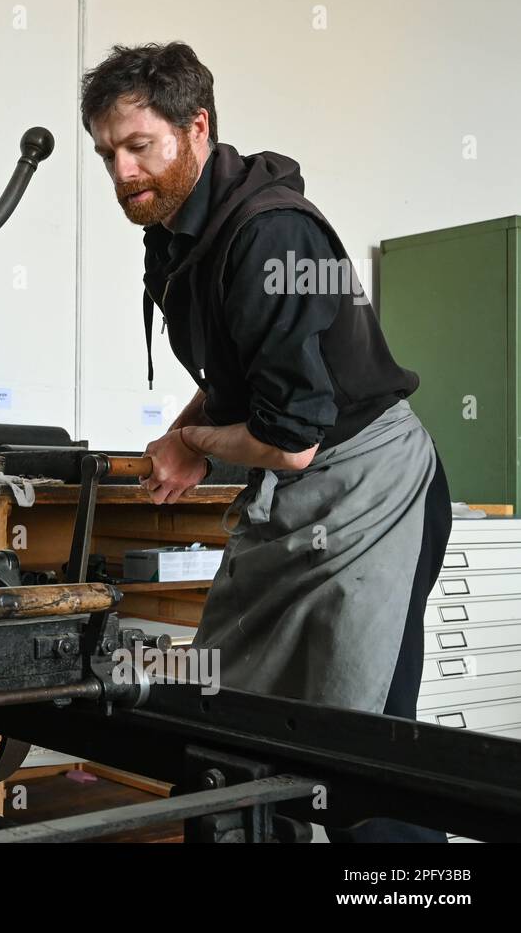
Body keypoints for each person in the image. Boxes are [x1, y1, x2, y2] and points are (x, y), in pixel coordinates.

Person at [80, 41, 450, 842]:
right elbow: (238, 372)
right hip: (299, 492)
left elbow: (290, 439)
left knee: (362, 753)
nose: (121, 173)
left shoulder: (271, 236)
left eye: (139, 146)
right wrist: (183, 434)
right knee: (228, 710)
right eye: (107, 153)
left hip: (370, 491)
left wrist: (196, 445)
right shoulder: (174, 234)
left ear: (197, 127)